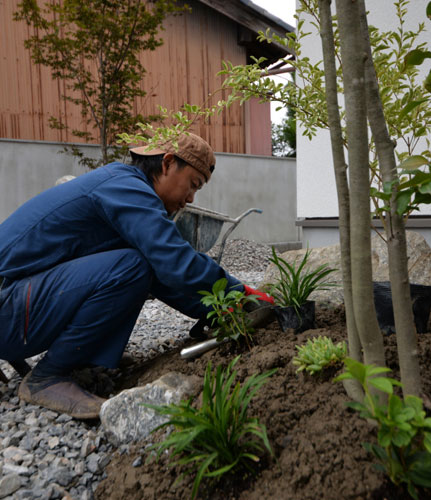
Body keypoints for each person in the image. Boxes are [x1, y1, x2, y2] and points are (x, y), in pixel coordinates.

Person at [0, 133, 273, 419]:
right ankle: (47, 377)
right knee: (131, 267)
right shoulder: (125, 188)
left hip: (16, 305)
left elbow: (163, 272)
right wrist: (239, 292)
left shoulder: (123, 188)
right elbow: (174, 262)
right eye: (193, 185)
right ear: (167, 163)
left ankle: (84, 357)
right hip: (9, 307)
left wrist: (218, 310)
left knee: (137, 263)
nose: (190, 199)